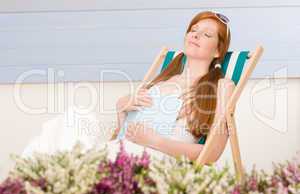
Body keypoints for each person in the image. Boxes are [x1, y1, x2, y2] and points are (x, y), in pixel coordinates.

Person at [22, 11, 235, 163]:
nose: (195, 35)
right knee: (74, 118)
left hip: (153, 159)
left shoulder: (219, 88)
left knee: (63, 149)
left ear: (218, 51)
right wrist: (123, 107)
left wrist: (156, 141)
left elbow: (210, 154)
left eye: (206, 34)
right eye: (193, 30)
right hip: (123, 149)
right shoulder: (165, 79)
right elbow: (124, 132)